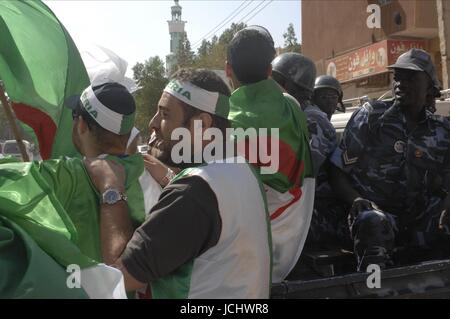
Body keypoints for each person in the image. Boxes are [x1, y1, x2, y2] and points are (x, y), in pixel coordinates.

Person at [86, 68, 272, 299]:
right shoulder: (242, 169)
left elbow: (116, 276)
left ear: (202, 125)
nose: (153, 124)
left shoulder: (193, 193)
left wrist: (110, 188)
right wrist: (169, 178)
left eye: (165, 114)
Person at [0, 82, 161, 298]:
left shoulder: (64, 174)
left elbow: (9, 182)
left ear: (82, 125)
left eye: (74, 115)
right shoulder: (153, 177)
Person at [329, 48, 450, 271]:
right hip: (375, 217)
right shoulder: (372, 117)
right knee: (373, 222)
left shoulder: (442, 131)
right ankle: (374, 289)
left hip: (418, 221)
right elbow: (337, 171)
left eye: (411, 77)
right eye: (398, 77)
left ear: (430, 87)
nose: (400, 83)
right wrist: (355, 199)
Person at [225, 26, 315, 283]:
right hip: (289, 249)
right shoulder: (293, 108)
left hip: (240, 260)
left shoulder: (221, 125)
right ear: (268, 70)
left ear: (228, 68)